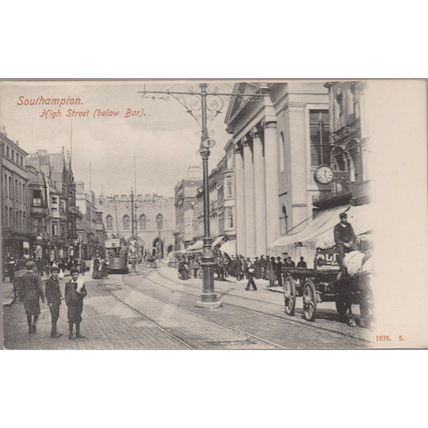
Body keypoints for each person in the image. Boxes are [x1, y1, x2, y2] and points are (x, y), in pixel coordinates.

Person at [18, 261, 45, 334]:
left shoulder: (23, 277)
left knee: (28, 312)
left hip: (27, 297)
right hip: (35, 296)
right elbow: (39, 288)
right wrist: (42, 297)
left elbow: (20, 288)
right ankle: (34, 323)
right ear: (33, 267)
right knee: (36, 311)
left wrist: (21, 297)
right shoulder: (36, 276)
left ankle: (29, 327)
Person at [65, 268, 87, 339]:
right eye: (74, 275)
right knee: (71, 318)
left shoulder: (81, 283)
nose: (75, 276)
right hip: (71, 304)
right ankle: (70, 333)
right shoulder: (68, 284)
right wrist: (67, 301)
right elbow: (66, 293)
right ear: (71, 275)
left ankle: (78, 333)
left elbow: (85, 292)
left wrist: (80, 293)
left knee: (78, 317)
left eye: (77, 274)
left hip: (78, 303)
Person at [45, 266, 63, 338]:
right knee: (54, 316)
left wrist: (60, 296)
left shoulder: (56, 280)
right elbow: (47, 292)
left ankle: (55, 331)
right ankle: (53, 333)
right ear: (51, 273)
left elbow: (58, 290)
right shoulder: (49, 281)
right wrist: (50, 302)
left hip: (57, 301)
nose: (55, 274)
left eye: (56, 272)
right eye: (54, 272)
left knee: (56, 316)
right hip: (53, 302)